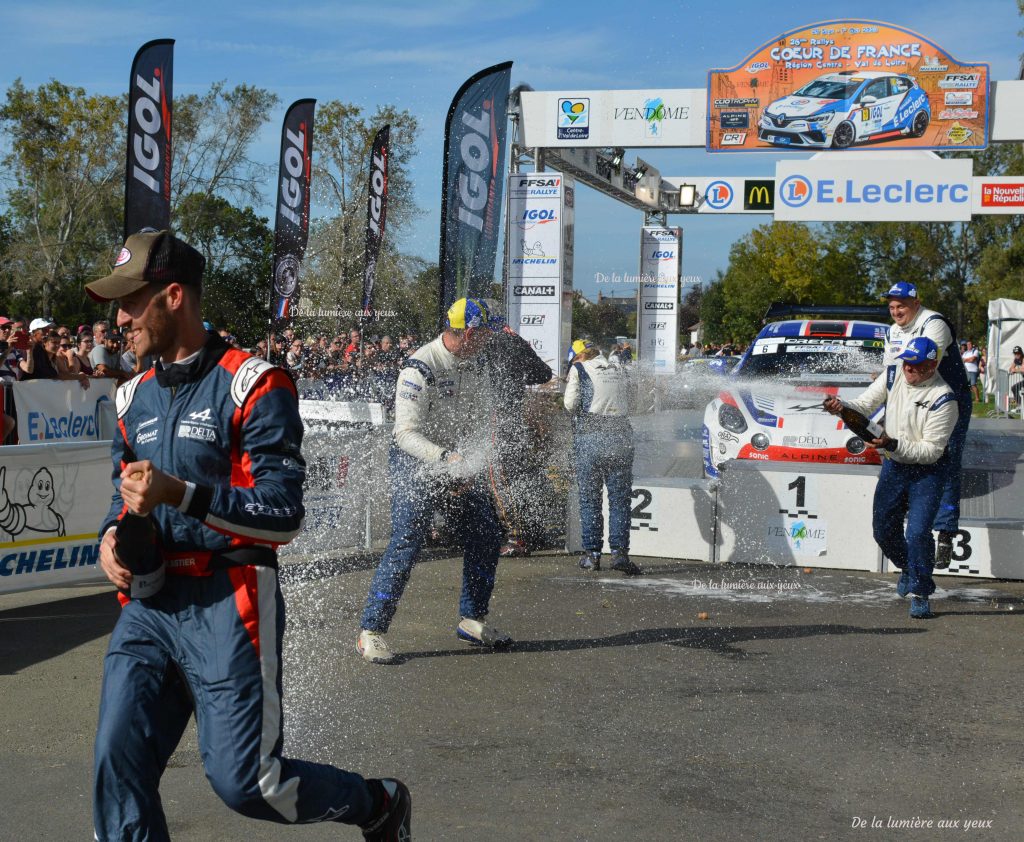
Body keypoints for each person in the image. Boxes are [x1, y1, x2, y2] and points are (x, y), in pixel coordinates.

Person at [85, 230, 410, 842]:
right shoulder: (129, 397)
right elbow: (121, 496)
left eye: (131, 302)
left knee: (248, 784)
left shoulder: (257, 383)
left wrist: (179, 494)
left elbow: (284, 515)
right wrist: (110, 537)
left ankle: (377, 804)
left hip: (229, 600)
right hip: (149, 608)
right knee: (115, 766)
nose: (119, 319)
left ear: (173, 295)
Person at [356, 297, 511, 664]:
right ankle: (371, 631)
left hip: (454, 458)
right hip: (416, 460)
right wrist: (446, 459)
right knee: (408, 539)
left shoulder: (480, 363)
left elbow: (478, 420)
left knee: (486, 532)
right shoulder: (419, 367)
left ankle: (472, 620)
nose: (490, 339)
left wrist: (470, 464)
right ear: (467, 332)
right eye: (485, 333)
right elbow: (404, 435)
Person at [824, 337, 957, 619]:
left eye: (916, 366)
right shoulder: (894, 372)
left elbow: (931, 451)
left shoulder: (945, 398)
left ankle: (921, 592)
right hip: (895, 465)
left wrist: (892, 444)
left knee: (918, 532)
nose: (909, 369)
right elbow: (863, 404)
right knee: (882, 530)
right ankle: (909, 568)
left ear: (932, 365)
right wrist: (841, 406)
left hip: (929, 471)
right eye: (907, 362)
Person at [883, 282, 971, 569]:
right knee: (905, 454)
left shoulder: (934, 324)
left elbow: (925, 361)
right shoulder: (892, 331)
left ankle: (945, 531)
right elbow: (890, 374)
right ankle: (917, 531)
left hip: (947, 398)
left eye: (902, 306)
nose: (896, 311)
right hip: (913, 396)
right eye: (892, 306)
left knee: (945, 457)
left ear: (916, 303)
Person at [564, 339, 641, 575]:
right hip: (620, 436)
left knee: (590, 499)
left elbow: (569, 404)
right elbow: (634, 402)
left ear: (579, 357)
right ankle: (619, 554)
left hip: (590, 437)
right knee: (620, 500)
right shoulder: (618, 368)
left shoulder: (579, 370)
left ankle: (592, 555)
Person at [482, 315, 554, 556]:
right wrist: (517, 377)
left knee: (499, 478)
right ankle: (534, 530)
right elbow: (544, 374)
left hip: (496, 416)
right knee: (520, 474)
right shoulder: (517, 340)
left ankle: (517, 538)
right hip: (515, 416)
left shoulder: (488, 342)